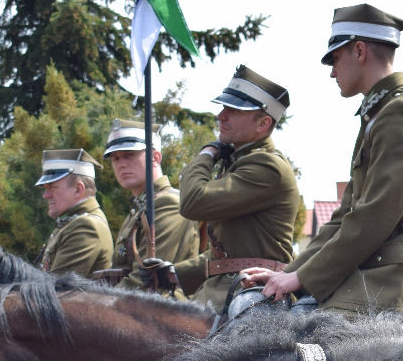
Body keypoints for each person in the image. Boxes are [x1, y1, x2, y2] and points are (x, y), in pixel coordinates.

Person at [243, 3, 403, 315]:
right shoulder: (379, 114)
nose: (331, 71)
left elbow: (374, 217)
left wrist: (302, 277)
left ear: (359, 50)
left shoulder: (401, 115)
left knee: (305, 342)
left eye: (335, 58)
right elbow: (344, 217)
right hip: (371, 270)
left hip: (395, 275)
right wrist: (292, 272)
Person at [151, 65, 298, 310]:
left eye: (234, 110)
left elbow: (192, 202)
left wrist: (207, 153)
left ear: (263, 123)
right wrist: (174, 272)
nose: (221, 116)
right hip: (228, 290)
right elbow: (227, 254)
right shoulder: (238, 161)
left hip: (251, 296)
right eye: (223, 108)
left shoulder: (266, 165)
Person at [93, 119, 198, 295]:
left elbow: (147, 281)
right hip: (133, 309)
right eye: (115, 158)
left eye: (129, 155)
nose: (121, 164)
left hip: (163, 311)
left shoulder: (168, 203)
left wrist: (97, 307)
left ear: (155, 158)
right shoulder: (140, 207)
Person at [33, 148, 114, 278]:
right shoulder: (71, 223)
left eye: (52, 187)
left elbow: (56, 290)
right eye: (46, 188)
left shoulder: (86, 226)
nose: (45, 195)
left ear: (78, 189)